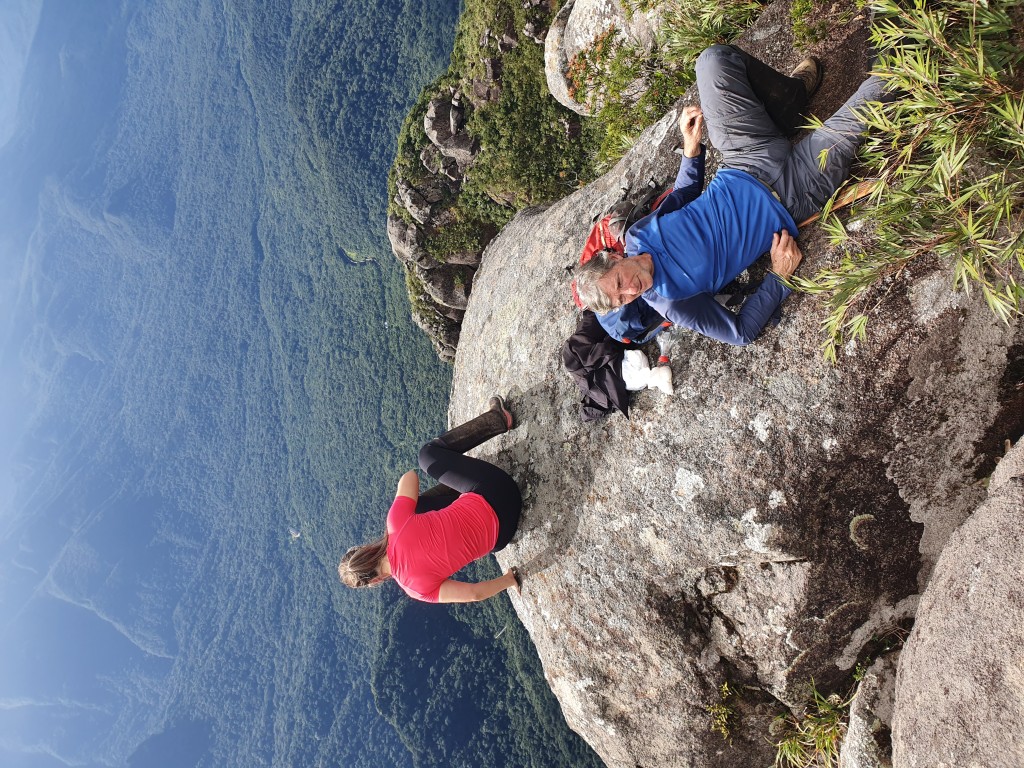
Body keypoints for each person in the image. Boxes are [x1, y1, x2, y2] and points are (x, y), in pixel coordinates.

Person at [574, 45, 895, 346]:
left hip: (744, 158)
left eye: (620, 283)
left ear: (614, 258)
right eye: (622, 300)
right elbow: (741, 332)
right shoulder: (673, 302)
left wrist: (690, 148)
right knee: (880, 89)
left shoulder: (637, 236)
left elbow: (684, 195)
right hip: (796, 193)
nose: (631, 290)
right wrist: (779, 275)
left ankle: (791, 101)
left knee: (712, 61)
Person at [338, 396, 523, 603]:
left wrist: (509, 579)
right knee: (426, 456)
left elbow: (474, 594)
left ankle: (462, 489)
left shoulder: (416, 591)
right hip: (500, 490)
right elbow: (409, 477)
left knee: (420, 510)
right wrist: (395, 523)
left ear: (374, 581)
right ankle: (497, 419)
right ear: (367, 549)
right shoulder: (396, 524)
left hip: (502, 535)